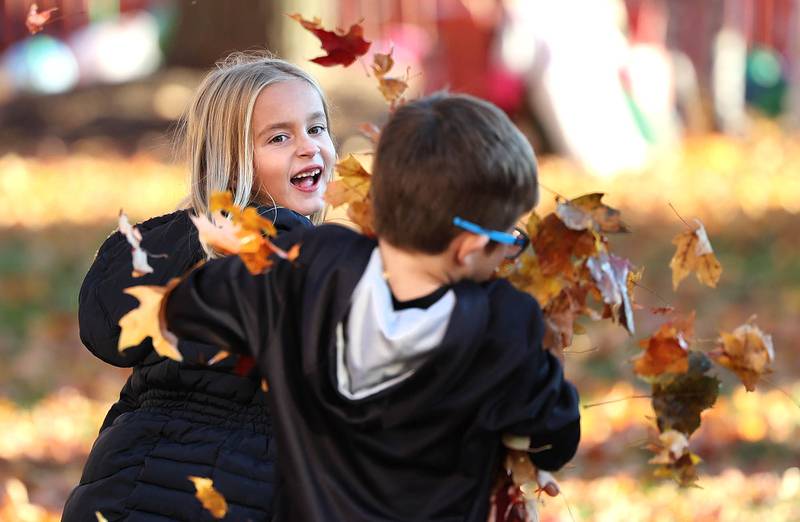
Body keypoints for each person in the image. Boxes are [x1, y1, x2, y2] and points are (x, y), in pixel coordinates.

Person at [164, 92, 581, 521]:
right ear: (471, 246)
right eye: (511, 238)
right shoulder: (503, 322)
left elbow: (184, 309)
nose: (513, 248)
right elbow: (555, 437)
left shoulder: (309, 264)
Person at [62, 52, 336, 521]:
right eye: (279, 137)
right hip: (233, 495)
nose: (309, 147)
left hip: (122, 489)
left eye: (315, 128)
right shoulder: (283, 251)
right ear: (231, 163)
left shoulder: (163, 251)